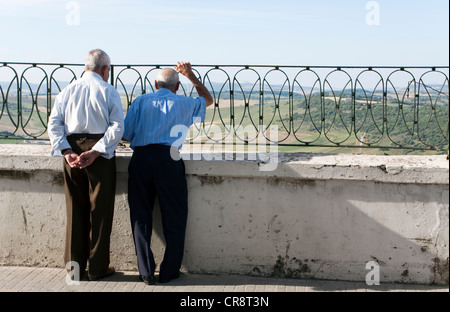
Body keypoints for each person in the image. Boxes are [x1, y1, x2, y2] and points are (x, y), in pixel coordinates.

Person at [123, 62, 213, 285]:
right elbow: (208, 100)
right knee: (174, 216)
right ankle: (169, 270)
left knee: (140, 216)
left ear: (155, 84)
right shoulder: (184, 102)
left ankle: (145, 271)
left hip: (141, 158)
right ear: (178, 86)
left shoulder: (141, 101)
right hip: (169, 158)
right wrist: (190, 74)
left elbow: (125, 133)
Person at [48, 49, 124, 281]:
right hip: (99, 151)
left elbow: (54, 123)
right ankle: (98, 267)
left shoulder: (67, 90)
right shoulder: (108, 90)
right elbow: (117, 126)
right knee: (100, 210)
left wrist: (67, 150)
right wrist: (96, 151)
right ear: (105, 70)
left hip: (72, 148)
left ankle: (74, 269)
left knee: (75, 209)